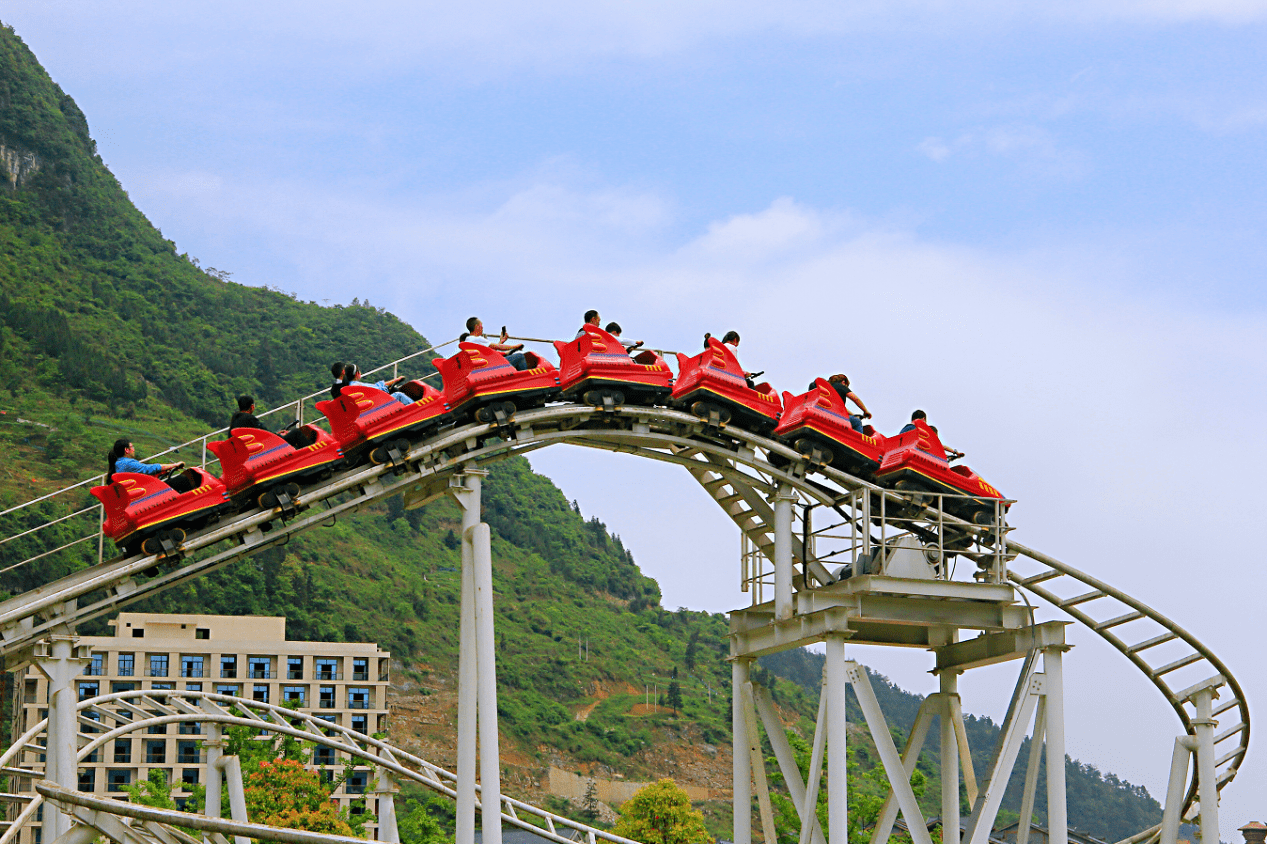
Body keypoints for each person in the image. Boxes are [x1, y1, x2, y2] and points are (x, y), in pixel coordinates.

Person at [106, 438, 195, 493]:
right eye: (132, 447)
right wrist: (174, 465)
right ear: (127, 450)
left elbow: (143, 475)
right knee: (184, 479)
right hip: (143, 493)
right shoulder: (126, 463)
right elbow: (148, 469)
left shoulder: (120, 464)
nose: (134, 449)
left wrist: (164, 471)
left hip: (140, 490)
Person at [230, 395, 310, 448]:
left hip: (249, 449)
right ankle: (311, 455)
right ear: (252, 407)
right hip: (265, 447)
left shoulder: (234, 420)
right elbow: (265, 432)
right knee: (296, 433)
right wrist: (277, 435)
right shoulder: (250, 418)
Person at [463, 317, 528, 371]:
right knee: (520, 356)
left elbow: (491, 352)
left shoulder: (467, 341)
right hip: (491, 367)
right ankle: (526, 380)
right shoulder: (477, 339)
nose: (482, 327)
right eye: (481, 325)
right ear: (477, 326)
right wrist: (515, 346)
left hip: (483, 367)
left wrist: (501, 341)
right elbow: (498, 347)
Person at [899, 410, 964, 459]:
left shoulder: (905, 429)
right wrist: (955, 452)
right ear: (923, 419)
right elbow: (943, 447)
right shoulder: (916, 430)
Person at [343, 364, 413, 406]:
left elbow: (377, 387)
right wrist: (395, 381)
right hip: (377, 406)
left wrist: (392, 382)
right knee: (398, 395)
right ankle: (419, 407)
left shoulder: (349, 387)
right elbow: (378, 389)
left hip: (369, 407)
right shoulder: (358, 385)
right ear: (357, 374)